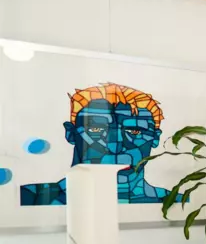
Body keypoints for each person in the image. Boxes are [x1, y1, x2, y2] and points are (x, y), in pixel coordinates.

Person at [20, 82, 176, 205]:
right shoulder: (30, 197)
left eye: (134, 131)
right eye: (95, 128)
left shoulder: (174, 201)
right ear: (70, 134)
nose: (115, 146)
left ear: (155, 138)